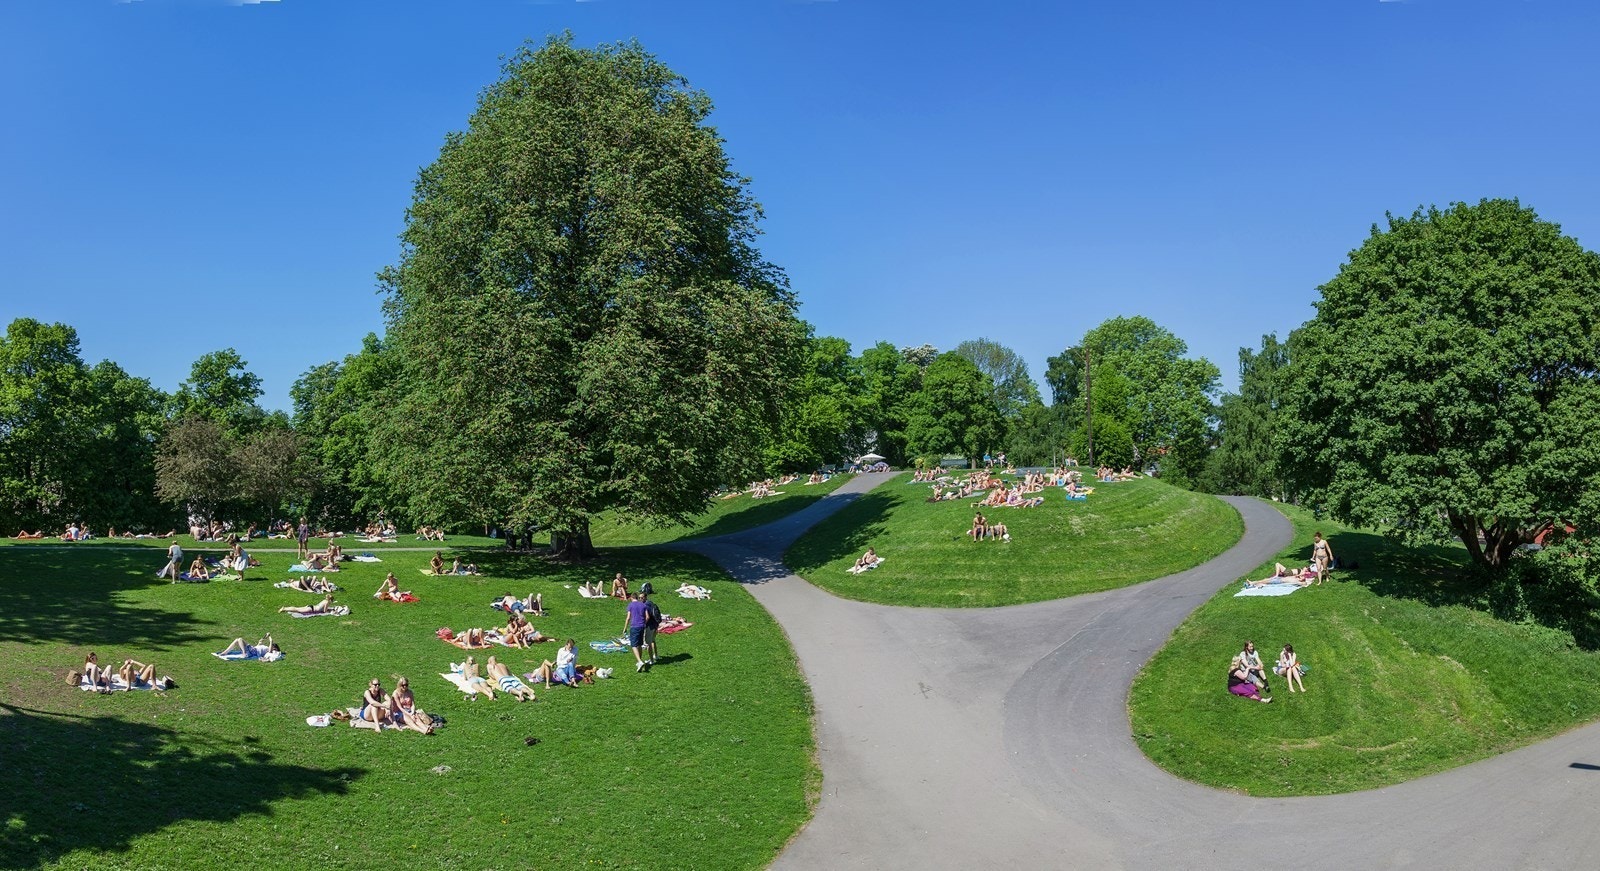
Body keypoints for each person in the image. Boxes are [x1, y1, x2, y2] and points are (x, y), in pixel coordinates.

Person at [624, 592, 650, 673]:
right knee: (639, 644)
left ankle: (639, 661)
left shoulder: (631, 605)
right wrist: (644, 623)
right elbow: (647, 616)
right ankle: (639, 662)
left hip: (634, 626)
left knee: (633, 645)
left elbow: (628, 618)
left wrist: (624, 628)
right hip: (642, 626)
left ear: (631, 598)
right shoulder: (643, 605)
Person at [641, 583, 662, 666]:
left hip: (649, 626)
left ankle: (651, 660)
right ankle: (656, 655)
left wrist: (643, 625)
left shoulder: (645, 605)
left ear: (646, 597)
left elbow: (647, 617)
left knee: (648, 643)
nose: (640, 599)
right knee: (653, 640)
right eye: (639, 598)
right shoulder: (651, 603)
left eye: (642, 597)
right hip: (655, 625)